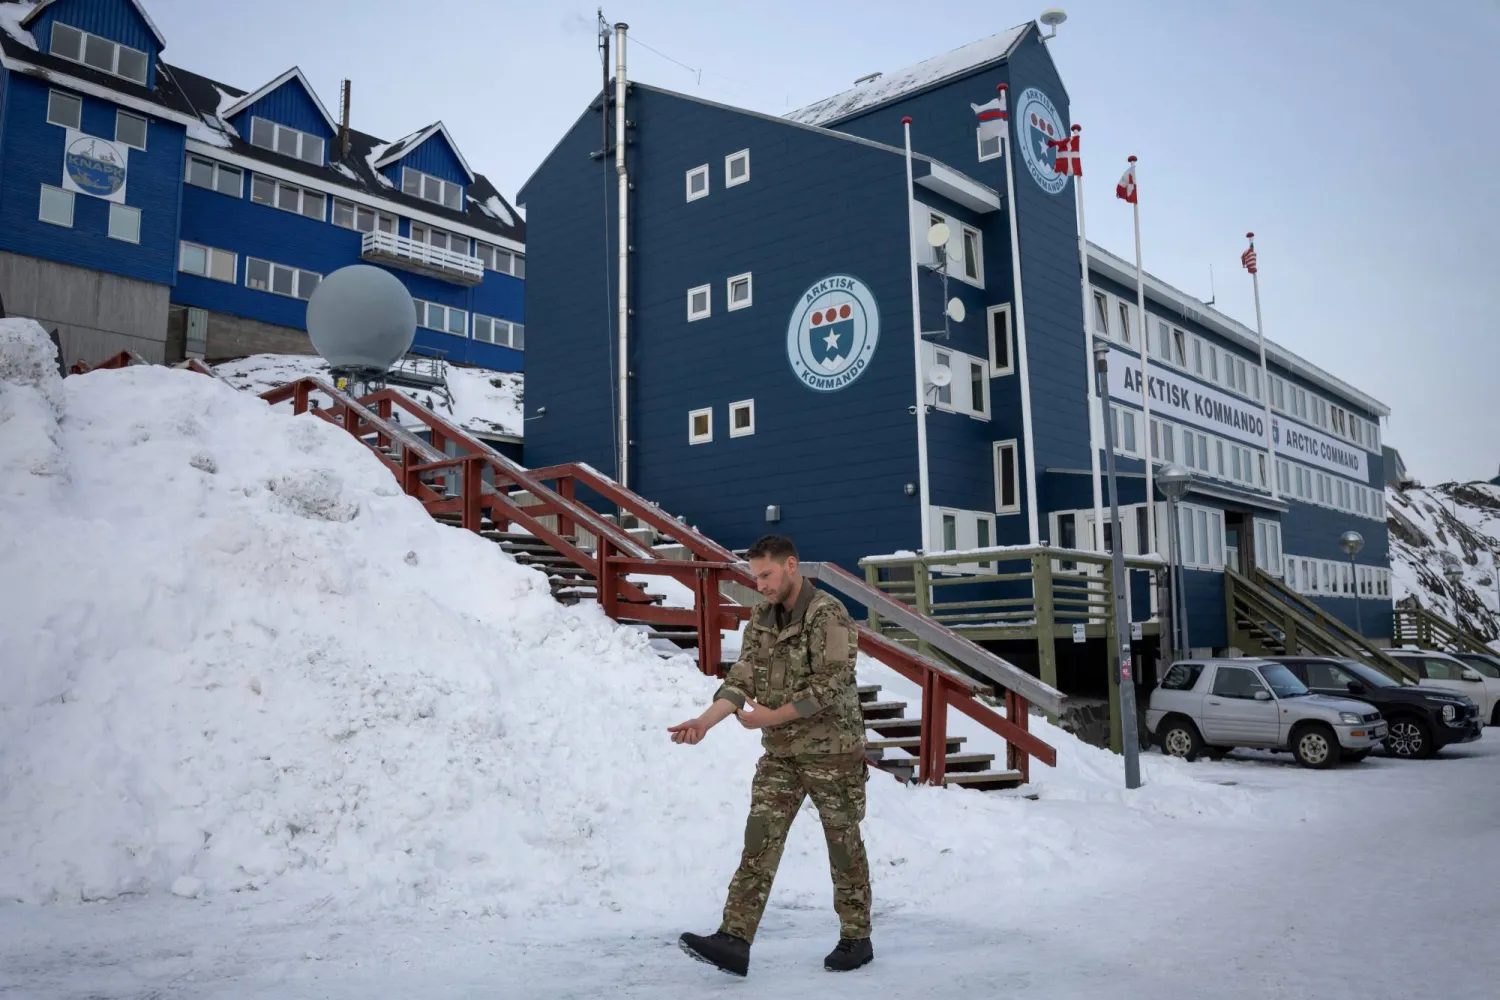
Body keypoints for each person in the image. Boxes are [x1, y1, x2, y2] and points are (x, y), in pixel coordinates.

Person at [668, 534, 873, 977]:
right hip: (782, 755)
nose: (759, 585)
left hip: (832, 754)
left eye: (766, 575)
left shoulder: (828, 615)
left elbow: (831, 685)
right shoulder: (761, 617)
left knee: (843, 845)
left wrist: (771, 717)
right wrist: (706, 721)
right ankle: (733, 939)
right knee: (759, 842)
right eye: (754, 576)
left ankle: (856, 937)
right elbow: (742, 677)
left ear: (792, 566)